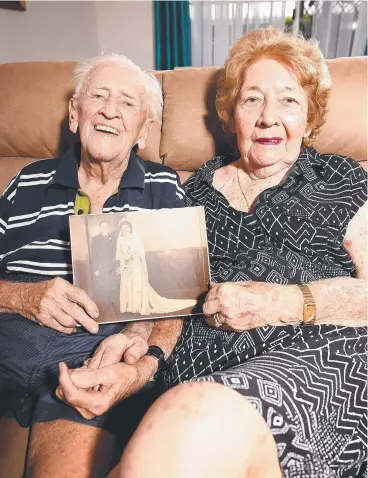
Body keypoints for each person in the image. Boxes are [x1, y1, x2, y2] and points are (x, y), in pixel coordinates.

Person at [62, 28, 367, 478]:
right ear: (230, 116)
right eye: (251, 100)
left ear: (310, 118)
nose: (268, 117)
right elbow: (164, 303)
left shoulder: (342, 179)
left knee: (188, 429)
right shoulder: (194, 190)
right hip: (192, 368)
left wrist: (281, 302)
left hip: (316, 353)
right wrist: (135, 353)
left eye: (288, 101)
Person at [0, 54, 185, 477]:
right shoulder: (27, 179)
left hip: (94, 352)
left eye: (127, 103)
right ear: (73, 113)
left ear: (143, 130)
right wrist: (21, 296)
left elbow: (178, 301)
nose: (109, 110)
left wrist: (137, 337)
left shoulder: (162, 187)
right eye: (99, 96)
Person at [116, 219, 196, 315]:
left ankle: (139, 306)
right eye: (123, 228)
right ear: (121, 229)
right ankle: (130, 306)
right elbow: (118, 254)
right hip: (125, 265)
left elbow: (140, 253)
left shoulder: (135, 239)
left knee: (137, 284)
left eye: (127, 228)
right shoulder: (120, 240)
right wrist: (123, 261)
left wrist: (131, 256)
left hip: (135, 265)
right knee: (127, 285)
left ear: (130, 228)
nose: (125, 230)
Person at [90, 219, 117, 313]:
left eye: (106, 226)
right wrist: (96, 269)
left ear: (108, 227)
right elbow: (93, 255)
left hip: (112, 267)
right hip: (102, 268)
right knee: (105, 287)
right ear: (100, 227)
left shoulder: (113, 237)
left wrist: (116, 266)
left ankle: (112, 306)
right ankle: (106, 308)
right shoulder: (95, 239)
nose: (104, 228)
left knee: (112, 286)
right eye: (103, 226)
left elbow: (115, 252)